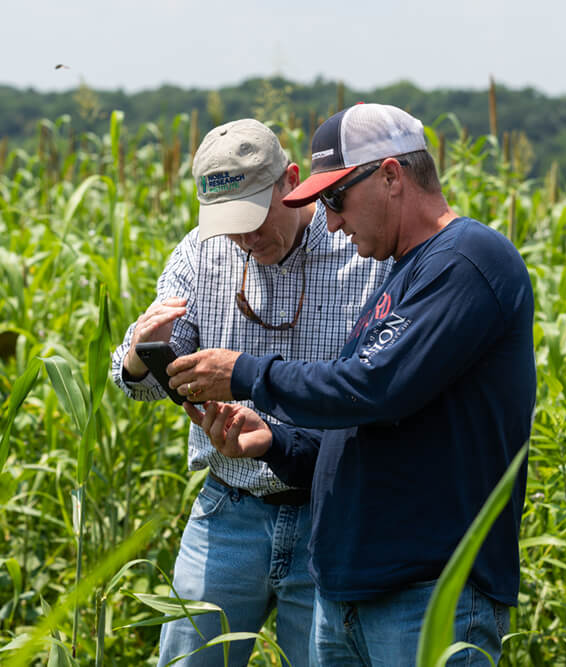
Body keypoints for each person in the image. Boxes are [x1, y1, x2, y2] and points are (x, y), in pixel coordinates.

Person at [168, 103, 536, 665]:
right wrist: (274, 442)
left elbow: (373, 386)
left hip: (428, 591)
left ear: (390, 176)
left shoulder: (468, 260)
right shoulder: (402, 274)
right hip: (352, 592)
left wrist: (244, 373)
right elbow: (371, 426)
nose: (331, 221)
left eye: (335, 198)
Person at [111, 118, 389, 666]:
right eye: (228, 224)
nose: (245, 238)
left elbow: (378, 387)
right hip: (228, 510)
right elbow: (139, 386)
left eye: (255, 218)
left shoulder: (358, 250)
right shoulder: (198, 254)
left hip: (329, 517)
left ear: (291, 180)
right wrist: (143, 353)